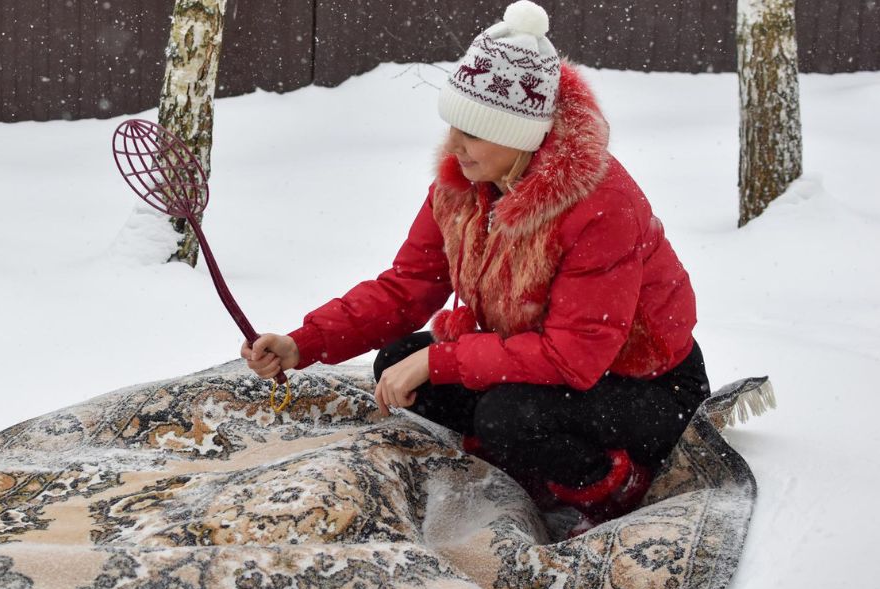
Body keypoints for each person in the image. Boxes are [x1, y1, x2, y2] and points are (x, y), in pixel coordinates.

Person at [239, 0, 710, 536]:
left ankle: (614, 488)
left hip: (646, 386)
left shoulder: (600, 204)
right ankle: (520, 472)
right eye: (453, 125)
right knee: (400, 363)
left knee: (508, 416)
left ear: (525, 135)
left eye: (474, 131)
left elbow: (575, 357)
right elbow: (407, 287)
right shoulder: (464, 185)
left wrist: (443, 361)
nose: (454, 145)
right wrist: (306, 343)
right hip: (550, 363)